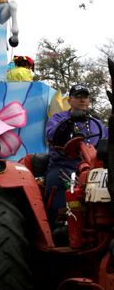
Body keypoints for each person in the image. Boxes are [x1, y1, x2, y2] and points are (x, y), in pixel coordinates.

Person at [45, 84, 108, 244]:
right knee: (57, 179)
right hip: (64, 166)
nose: (82, 100)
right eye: (78, 96)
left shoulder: (97, 124)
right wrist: (70, 121)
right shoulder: (57, 118)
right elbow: (54, 136)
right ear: (70, 100)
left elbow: (106, 143)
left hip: (91, 169)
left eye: (85, 97)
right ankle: (61, 222)